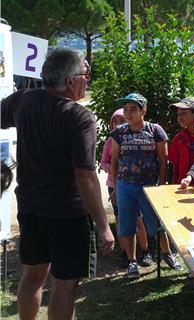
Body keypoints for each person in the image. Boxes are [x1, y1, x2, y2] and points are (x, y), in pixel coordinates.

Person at [1, 48, 114, 319]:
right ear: (70, 81)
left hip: (30, 207)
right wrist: (103, 226)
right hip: (67, 213)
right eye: (85, 74)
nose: (88, 79)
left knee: (32, 277)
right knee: (65, 284)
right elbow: (85, 176)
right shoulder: (79, 117)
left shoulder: (22, 100)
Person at [110, 93, 180, 278]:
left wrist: (162, 186)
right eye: (126, 109)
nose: (128, 113)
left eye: (133, 109)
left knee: (156, 224)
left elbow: (163, 161)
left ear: (144, 110)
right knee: (127, 224)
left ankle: (167, 255)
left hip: (149, 187)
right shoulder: (119, 133)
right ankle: (132, 262)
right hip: (125, 185)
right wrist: (115, 189)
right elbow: (115, 161)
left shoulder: (155, 130)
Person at [101, 108, 152, 267]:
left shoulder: (135, 138)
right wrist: (114, 169)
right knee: (120, 220)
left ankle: (145, 251)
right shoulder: (110, 141)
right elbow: (104, 162)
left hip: (133, 186)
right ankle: (126, 254)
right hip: (114, 185)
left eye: (121, 121)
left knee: (138, 219)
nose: (118, 124)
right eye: (115, 121)